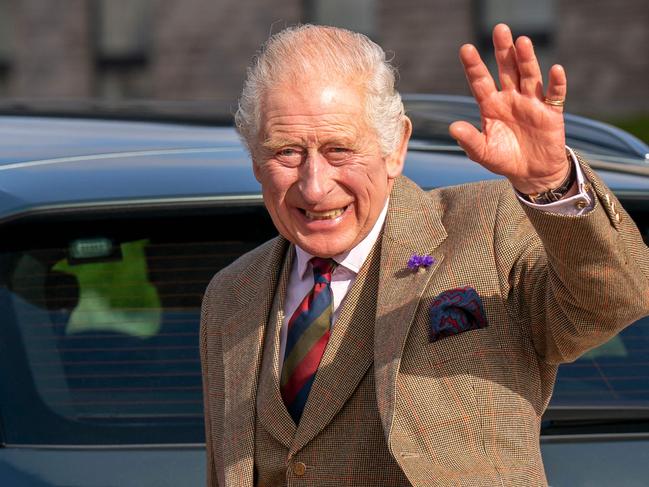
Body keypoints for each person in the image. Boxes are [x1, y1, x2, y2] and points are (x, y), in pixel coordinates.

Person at [200, 23, 649, 486]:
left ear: (395, 147)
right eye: (287, 152)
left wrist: (549, 183)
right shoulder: (232, 293)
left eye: (339, 150)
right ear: (255, 160)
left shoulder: (488, 227)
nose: (314, 187)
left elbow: (615, 299)